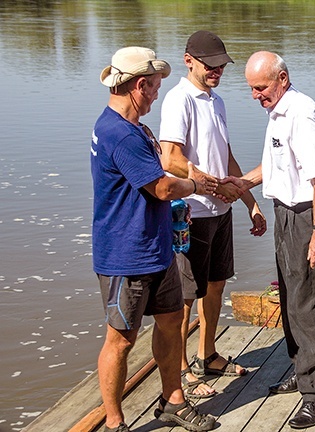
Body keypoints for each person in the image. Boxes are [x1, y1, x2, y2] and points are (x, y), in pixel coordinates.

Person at [92, 47, 216, 432]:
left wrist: (179, 198)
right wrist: (194, 185)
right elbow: (162, 187)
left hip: (156, 247)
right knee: (121, 340)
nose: (158, 94)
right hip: (125, 253)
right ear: (139, 86)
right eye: (156, 87)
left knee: (170, 320)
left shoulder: (137, 129)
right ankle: (114, 422)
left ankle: (173, 400)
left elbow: (158, 176)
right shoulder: (118, 133)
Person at [159, 30, 266, 399]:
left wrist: (250, 202)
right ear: (189, 60)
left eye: (222, 65)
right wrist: (209, 184)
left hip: (221, 211)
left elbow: (226, 154)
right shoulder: (178, 99)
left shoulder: (216, 101)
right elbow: (169, 157)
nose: (217, 71)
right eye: (211, 65)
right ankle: (182, 368)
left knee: (216, 285)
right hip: (190, 214)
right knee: (186, 295)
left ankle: (208, 355)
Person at [239, 51, 315, 429]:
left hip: (307, 216)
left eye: (260, 87)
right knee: (289, 297)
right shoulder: (277, 112)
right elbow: (277, 164)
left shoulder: (302, 114)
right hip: (284, 213)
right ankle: (303, 370)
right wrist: (242, 184)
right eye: (251, 88)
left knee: (302, 302)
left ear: (282, 78)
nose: (255, 95)